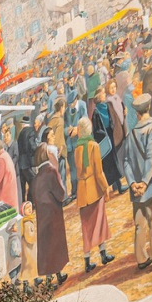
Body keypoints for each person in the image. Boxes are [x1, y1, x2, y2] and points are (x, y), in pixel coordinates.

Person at [122, 92, 152, 270]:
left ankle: (142, 259)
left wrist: (132, 183)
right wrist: (144, 182)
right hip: (150, 184)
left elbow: (125, 161)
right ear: (148, 108)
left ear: (137, 113)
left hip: (135, 188)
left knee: (139, 223)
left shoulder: (132, 133)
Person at [72, 118, 115, 272]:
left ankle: (87, 261)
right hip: (94, 189)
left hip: (82, 192)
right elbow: (98, 171)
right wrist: (105, 188)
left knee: (86, 226)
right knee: (100, 222)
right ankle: (103, 253)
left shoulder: (77, 148)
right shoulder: (93, 146)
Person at [29, 144, 71, 282]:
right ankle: (58, 275)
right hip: (54, 214)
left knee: (46, 247)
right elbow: (61, 194)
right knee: (55, 245)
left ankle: (49, 278)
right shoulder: (52, 172)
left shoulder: (36, 178)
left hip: (42, 216)